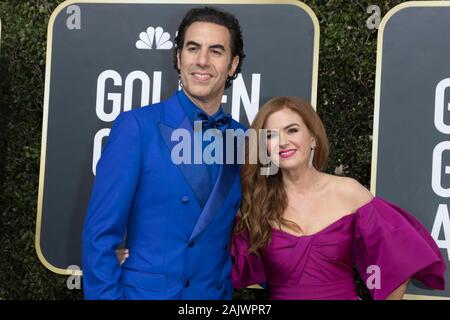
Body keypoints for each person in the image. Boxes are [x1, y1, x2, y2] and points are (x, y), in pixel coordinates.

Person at [82, 6, 246, 299]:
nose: (202, 60)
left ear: (233, 65)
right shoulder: (137, 128)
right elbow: (99, 236)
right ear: (178, 57)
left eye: (216, 51)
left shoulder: (243, 139)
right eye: (193, 48)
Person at [231, 96, 445, 300]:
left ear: (312, 138)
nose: (283, 142)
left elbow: (399, 258)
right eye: (271, 135)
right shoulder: (257, 202)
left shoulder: (349, 192)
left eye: (292, 130)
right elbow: (224, 264)